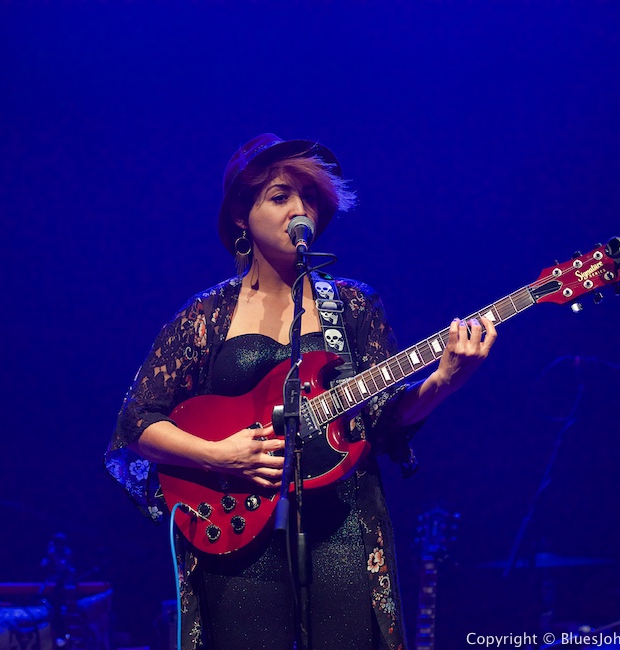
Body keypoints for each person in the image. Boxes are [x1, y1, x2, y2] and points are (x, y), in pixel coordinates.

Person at [105, 133, 497, 650]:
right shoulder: (205, 318)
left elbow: (385, 422)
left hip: (341, 526)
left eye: (309, 198)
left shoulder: (352, 306)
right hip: (237, 535)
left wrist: (444, 381)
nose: (300, 210)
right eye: (280, 196)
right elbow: (138, 423)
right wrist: (219, 455)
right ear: (241, 216)